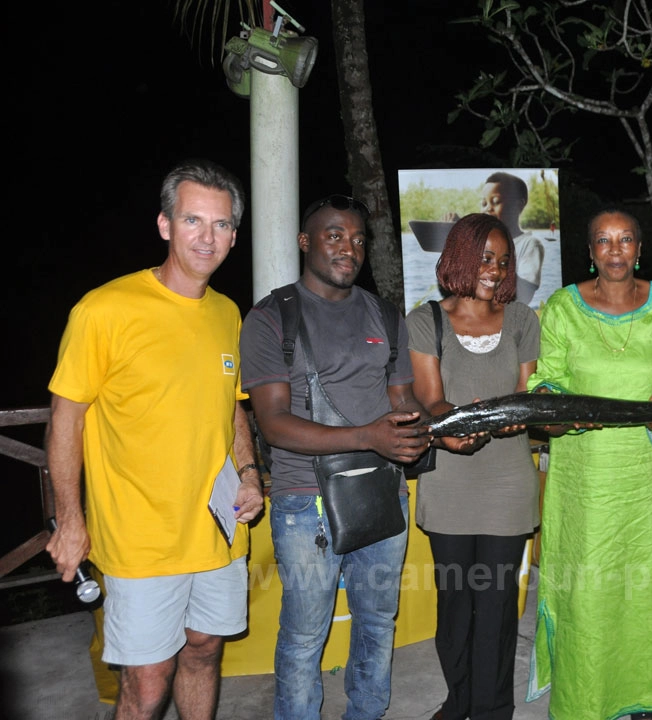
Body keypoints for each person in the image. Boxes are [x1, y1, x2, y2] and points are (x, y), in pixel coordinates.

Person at [45, 158, 263, 720]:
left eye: (219, 225)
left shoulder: (227, 314)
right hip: (139, 539)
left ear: (234, 237)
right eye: (192, 221)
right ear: (165, 225)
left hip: (216, 530)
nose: (205, 237)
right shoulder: (104, 309)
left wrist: (249, 472)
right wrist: (70, 519)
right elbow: (65, 419)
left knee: (205, 652)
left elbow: (233, 407)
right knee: (146, 684)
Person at [239, 194, 432, 720]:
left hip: (382, 492)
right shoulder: (270, 317)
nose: (350, 249)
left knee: (377, 622)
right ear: (306, 242)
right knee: (305, 635)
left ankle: (367, 713)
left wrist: (439, 427)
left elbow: (401, 401)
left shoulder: (383, 313)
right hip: (307, 502)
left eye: (358, 240)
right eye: (334, 236)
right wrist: (370, 437)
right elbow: (274, 425)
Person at [524, 208, 652, 719]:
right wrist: (566, 411)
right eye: (603, 241)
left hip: (642, 479)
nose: (615, 250)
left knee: (641, 588)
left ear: (639, 247)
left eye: (625, 240)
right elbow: (544, 382)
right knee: (586, 590)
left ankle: (642, 695)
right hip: (582, 478)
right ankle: (584, 699)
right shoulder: (562, 306)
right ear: (589, 251)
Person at [406, 213, 541, 720]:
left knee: (498, 610)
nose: (495, 269)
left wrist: (512, 416)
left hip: (508, 481)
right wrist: (469, 419)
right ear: (460, 256)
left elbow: (526, 396)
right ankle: (458, 697)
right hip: (451, 480)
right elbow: (431, 402)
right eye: (485, 257)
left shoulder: (524, 321)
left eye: (503, 261)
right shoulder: (426, 321)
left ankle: (491, 709)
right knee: (456, 607)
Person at [450, 172, 545, 305]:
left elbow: (524, 296)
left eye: (495, 202)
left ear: (519, 205)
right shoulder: (478, 242)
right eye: (484, 203)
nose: (488, 208)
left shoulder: (530, 245)